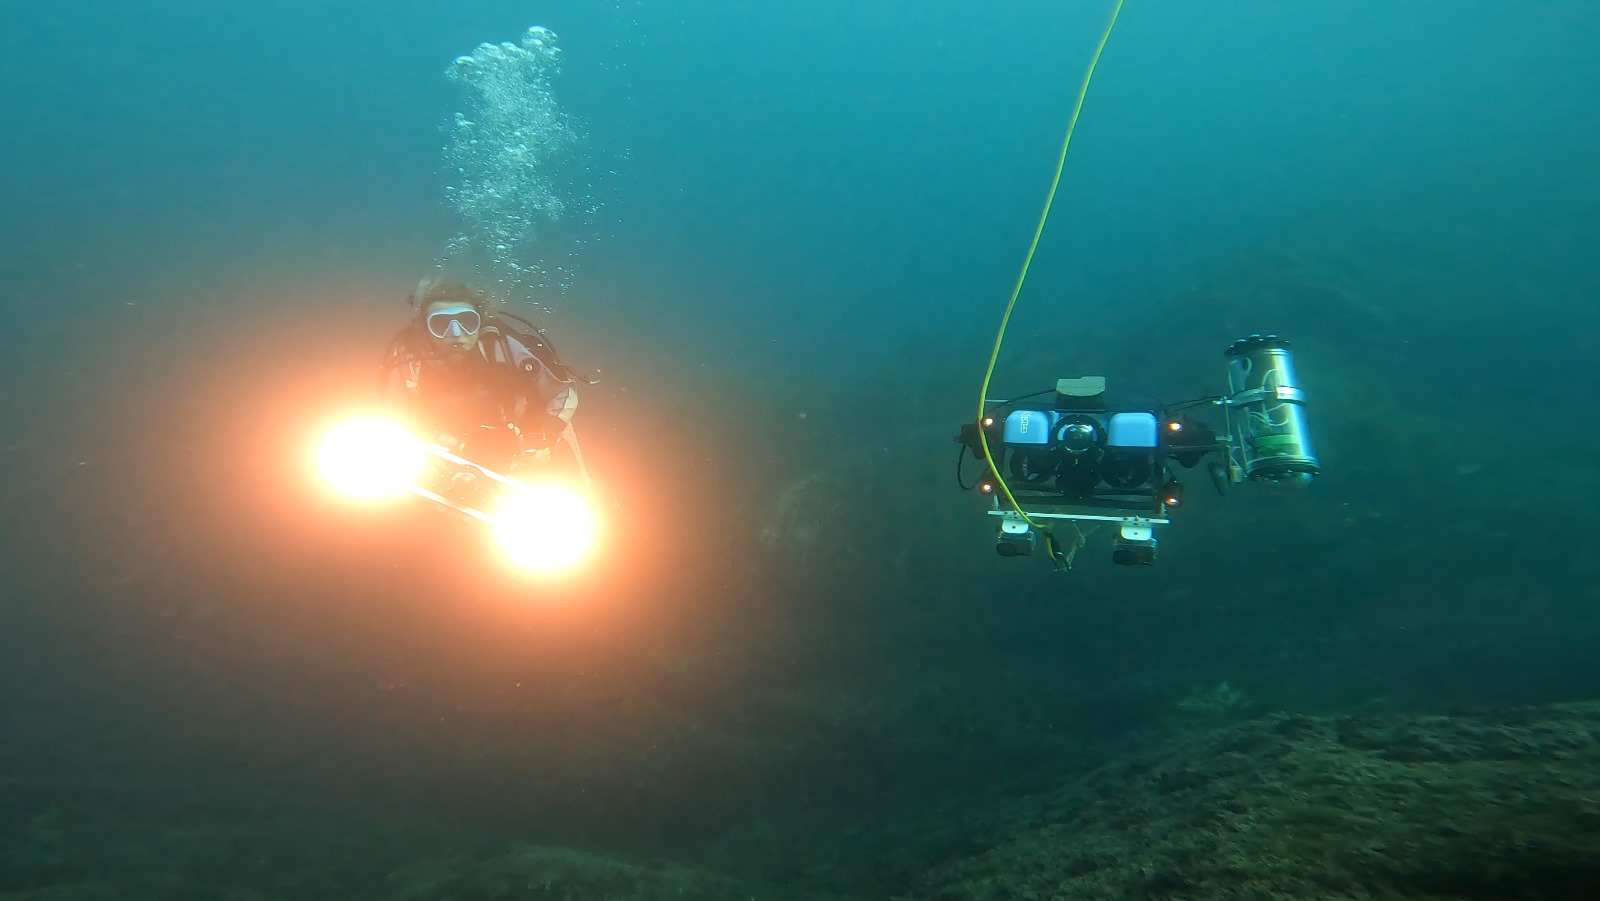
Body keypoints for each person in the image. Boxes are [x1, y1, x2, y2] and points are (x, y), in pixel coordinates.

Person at [380, 279, 593, 485]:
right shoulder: (409, 362)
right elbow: (395, 416)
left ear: (480, 325)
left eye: (467, 323)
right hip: (435, 456)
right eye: (441, 325)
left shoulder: (505, 348)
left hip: (518, 450)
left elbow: (563, 391)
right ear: (425, 329)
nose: (456, 335)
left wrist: (544, 437)